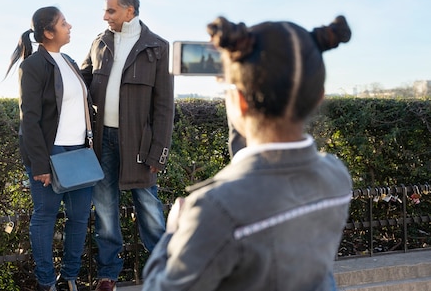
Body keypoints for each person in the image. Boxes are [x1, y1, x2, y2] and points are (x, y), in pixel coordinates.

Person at [142, 15, 353, 291]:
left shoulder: (213, 210)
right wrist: (237, 91)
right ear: (318, 97)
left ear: (239, 101)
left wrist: (173, 234)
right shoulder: (336, 176)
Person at [80, 0, 174, 291]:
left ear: (129, 11)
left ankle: (165, 270)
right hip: (102, 141)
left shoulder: (158, 48)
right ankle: (108, 274)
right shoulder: (100, 42)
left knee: (148, 207)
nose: (105, 16)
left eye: (111, 10)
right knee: (105, 208)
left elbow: (164, 106)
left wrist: (158, 152)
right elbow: (81, 81)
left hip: (139, 144)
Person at [6, 6, 93, 291]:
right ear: (47, 32)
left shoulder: (68, 61)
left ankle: (69, 278)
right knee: (45, 216)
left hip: (79, 152)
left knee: (79, 217)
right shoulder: (31, 66)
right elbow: (28, 118)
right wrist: (39, 164)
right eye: (64, 23)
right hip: (50, 154)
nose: (70, 26)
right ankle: (46, 282)